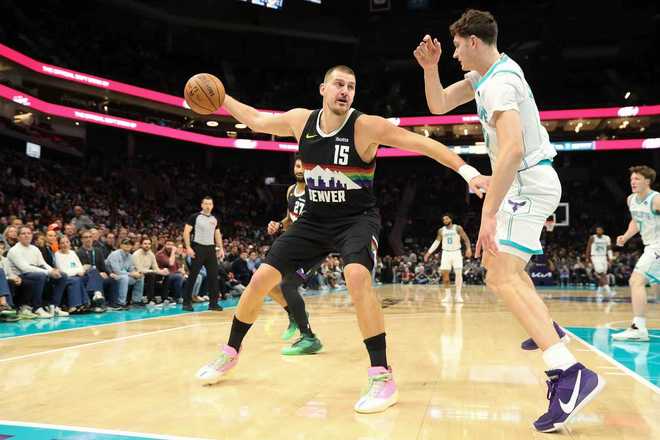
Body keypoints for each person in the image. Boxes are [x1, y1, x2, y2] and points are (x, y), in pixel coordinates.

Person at [195, 63, 488, 414]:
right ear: (323, 89)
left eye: (350, 86)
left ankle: (382, 375)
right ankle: (230, 352)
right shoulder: (301, 121)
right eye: (338, 84)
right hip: (315, 219)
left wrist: (469, 172)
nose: (345, 91)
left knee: (357, 277)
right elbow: (256, 120)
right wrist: (223, 98)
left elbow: (422, 144)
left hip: (356, 220)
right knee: (260, 280)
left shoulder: (365, 126)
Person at [413, 9, 603, 431]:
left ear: (474, 41)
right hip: (523, 184)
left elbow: (513, 149)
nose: (454, 54)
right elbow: (438, 104)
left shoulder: (500, 83)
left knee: (498, 274)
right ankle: (548, 329)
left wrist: (489, 213)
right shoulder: (485, 76)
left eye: (457, 47)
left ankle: (569, 372)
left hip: (527, 183)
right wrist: (429, 69)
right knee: (503, 270)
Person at [266, 155, 322, 354]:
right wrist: (278, 225)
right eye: (298, 166)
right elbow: (290, 218)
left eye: (304, 166)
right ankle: (294, 315)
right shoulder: (290, 190)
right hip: (294, 246)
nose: (300, 170)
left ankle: (309, 337)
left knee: (288, 285)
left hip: (313, 250)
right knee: (268, 284)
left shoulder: (316, 191)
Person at [612, 165, 659, 342]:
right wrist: (625, 236)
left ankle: (638, 328)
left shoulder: (656, 199)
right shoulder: (631, 199)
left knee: (636, 281)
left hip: (658, 247)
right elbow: (636, 221)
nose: (633, 182)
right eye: (632, 179)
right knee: (658, 292)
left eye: (637, 179)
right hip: (650, 246)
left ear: (648, 181)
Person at [7, 226, 67, 318]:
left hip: (34, 273)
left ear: (32, 236)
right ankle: (37, 308)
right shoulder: (14, 250)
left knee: (62, 275)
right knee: (40, 276)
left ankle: (54, 306)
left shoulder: (34, 249)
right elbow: (25, 268)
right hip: (19, 276)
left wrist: (52, 270)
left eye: (29, 233)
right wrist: (48, 272)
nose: (26, 235)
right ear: (18, 237)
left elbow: (43, 263)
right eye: (23, 233)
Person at [182, 196, 225, 311]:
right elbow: (186, 232)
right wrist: (188, 247)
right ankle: (186, 302)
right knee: (193, 275)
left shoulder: (214, 219)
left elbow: (217, 234)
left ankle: (213, 303)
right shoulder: (195, 217)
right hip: (198, 247)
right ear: (201, 205)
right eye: (205, 204)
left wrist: (221, 248)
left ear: (212, 206)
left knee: (213, 276)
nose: (207, 206)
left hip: (211, 249)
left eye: (210, 204)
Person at [423, 213, 472, 303]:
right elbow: (436, 242)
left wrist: (468, 248)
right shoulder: (441, 230)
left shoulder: (458, 228)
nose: (445, 221)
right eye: (444, 219)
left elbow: (466, 239)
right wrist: (428, 253)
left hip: (456, 252)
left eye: (447, 219)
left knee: (458, 274)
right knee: (445, 275)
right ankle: (448, 296)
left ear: (451, 219)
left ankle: (458, 295)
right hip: (446, 253)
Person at [105, 239, 145, 308]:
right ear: (121, 245)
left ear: (132, 246)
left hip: (123, 275)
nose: (128, 246)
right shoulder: (115, 254)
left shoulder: (130, 256)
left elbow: (131, 268)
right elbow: (116, 271)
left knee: (140, 277)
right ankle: (121, 303)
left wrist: (137, 273)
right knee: (125, 278)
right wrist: (132, 274)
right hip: (112, 275)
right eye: (126, 244)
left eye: (130, 244)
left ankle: (136, 301)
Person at [133, 237, 170, 305]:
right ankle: (150, 299)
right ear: (141, 245)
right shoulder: (136, 254)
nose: (147, 245)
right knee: (152, 275)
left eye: (149, 244)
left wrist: (162, 271)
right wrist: (153, 271)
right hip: (138, 274)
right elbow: (139, 269)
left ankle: (164, 298)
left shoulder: (151, 254)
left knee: (166, 275)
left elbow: (156, 267)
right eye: (145, 244)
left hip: (148, 273)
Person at [586, 226, 614, 300]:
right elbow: (588, 248)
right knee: (601, 274)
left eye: (600, 230)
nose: (598, 231)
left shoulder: (607, 238)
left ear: (602, 231)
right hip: (595, 257)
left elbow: (609, 248)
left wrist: (611, 258)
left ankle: (599, 293)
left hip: (603, 257)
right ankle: (609, 292)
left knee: (603, 275)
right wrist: (587, 258)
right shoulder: (592, 237)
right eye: (597, 230)